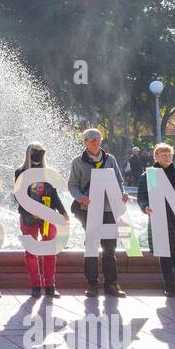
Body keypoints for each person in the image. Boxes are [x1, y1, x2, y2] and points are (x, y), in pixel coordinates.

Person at [68, 128, 129, 298]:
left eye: (98, 138)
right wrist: (81, 198)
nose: (96, 141)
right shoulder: (78, 161)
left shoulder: (110, 159)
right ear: (85, 142)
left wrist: (121, 194)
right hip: (89, 210)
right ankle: (92, 284)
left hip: (110, 209)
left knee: (110, 246)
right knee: (92, 246)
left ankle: (112, 283)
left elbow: (119, 181)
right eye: (92, 139)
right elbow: (72, 185)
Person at [136, 143, 175, 298]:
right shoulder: (147, 176)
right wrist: (145, 207)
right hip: (161, 218)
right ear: (156, 157)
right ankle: (169, 285)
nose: (167, 157)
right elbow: (142, 197)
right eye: (163, 155)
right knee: (165, 253)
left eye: (169, 155)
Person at [15, 143, 66, 298]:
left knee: (49, 250)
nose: (38, 154)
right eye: (35, 152)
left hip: (47, 216)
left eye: (41, 152)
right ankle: (36, 285)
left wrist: (63, 212)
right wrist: (29, 212)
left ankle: (50, 285)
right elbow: (18, 195)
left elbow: (54, 195)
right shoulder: (21, 172)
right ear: (28, 153)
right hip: (28, 217)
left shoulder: (48, 173)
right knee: (31, 251)